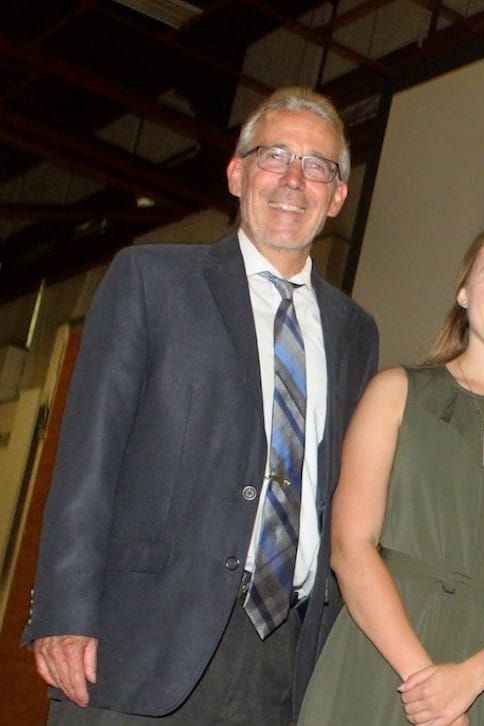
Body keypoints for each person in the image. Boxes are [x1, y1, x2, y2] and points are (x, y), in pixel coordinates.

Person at [21, 86, 380, 724]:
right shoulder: (149, 281)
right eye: (274, 156)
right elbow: (88, 459)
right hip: (135, 645)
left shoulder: (356, 331)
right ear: (237, 173)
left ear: (338, 197)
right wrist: (63, 613)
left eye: (318, 165)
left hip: (281, 661)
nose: (294, 179)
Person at [296, 219, 484, 725]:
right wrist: (428, 684)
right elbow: (351, 548)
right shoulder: (393, 392)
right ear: (463, 291)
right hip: (378, 659)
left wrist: (471, 678)